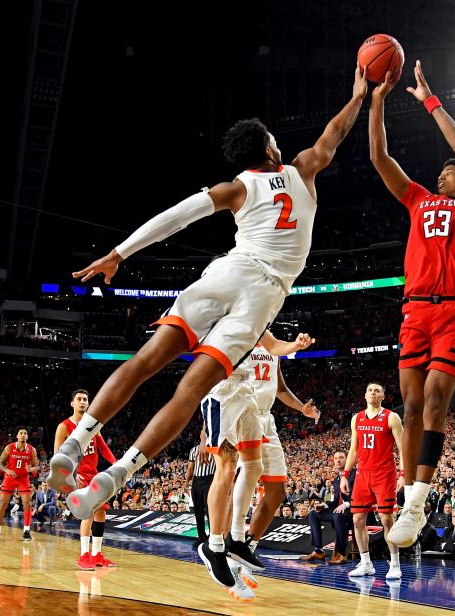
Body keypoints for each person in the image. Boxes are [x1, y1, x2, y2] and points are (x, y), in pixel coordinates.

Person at [47, 65, 368, 512]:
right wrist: (359, 95)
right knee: (190, 392)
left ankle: (75, 444)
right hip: (264, 294)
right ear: (271, 148)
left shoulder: (236, 187)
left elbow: (177, 215)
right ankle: (118, 473)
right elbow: (334, 133)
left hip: (226, 273)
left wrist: (120, 252)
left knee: (145, 361)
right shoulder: (303, 170)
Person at [367, 61, 455, 548]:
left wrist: (428, 100)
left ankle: (417, 501)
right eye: (443, 171)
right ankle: (407, 496)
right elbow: (380, 157)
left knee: (438, 399)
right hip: (415, 310)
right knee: (413, 403)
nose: (447, 172)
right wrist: (376, 100)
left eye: (452, 170)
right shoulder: (418, 199)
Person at [196, 330, 316, 587]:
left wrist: (296, 345)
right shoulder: (225, 318)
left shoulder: (260, 324)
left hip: (252, 400)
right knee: (228, 472)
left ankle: (240, 541)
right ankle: (217, 544)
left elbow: (276, 358)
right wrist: (205, 431)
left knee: (261, 475)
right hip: (223, 392)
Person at [340, 383, 404, 579]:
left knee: (386, 519)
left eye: (377, 390)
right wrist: (345, 474)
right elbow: (353, 450)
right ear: (365, 395)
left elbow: (403, 449)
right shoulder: (356, 418)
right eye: (369, 390)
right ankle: (366, 563)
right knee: (357, 519)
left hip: (384, 474)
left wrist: (403, 474)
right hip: (363, 473)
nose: (373, 393)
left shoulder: (392, 417)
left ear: (383, 396)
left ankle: (395, 564)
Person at [53, 389, 117, 570]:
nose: (82, 402)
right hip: (78, 475)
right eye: (79, 399)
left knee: (101, 513)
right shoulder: (64, 426)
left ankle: (97, 555)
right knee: (88, 513)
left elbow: (103, 448)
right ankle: (83, 556)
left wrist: (116, 463)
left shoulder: (92, 425)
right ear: (72, 403)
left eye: (85, 399)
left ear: (88, 404)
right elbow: (58, 454)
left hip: (94, 474)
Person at [300, 451, 353, 565]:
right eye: (336, 458)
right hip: (339, 512)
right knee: (314, 513)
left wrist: (346, 504)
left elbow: (361, 496)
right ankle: (318, 550)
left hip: (354, 511)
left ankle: (341, 553)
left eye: (341, 458)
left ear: (347, 460)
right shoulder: (337, 480)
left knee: (338, 514)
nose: (338, 460)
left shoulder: (354, 474)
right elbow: (336, 501)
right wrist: (324, 505)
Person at [0, 429, 39, 542]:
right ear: (17, 436)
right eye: (21, 433)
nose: (23, 435)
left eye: (25, 434)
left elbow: (36, 467)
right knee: (3, 504)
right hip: (10, 478)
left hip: (23, 479)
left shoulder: (32, 450)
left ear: (27, 437)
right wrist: (7, 470)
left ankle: (26, 531)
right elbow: (0, 463)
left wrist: (31, 469)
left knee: (27, 504)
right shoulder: (9, 447)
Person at [187, 436, 215, 548]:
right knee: (199, 511)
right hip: (197, 481)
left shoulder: (214, 449)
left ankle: (212, 537)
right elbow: (190, 468)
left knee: (209, 511)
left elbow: (190, 468)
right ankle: (202, 537)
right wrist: (186, 482)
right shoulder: (194, 450)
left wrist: (186, 482)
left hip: (209, 480)